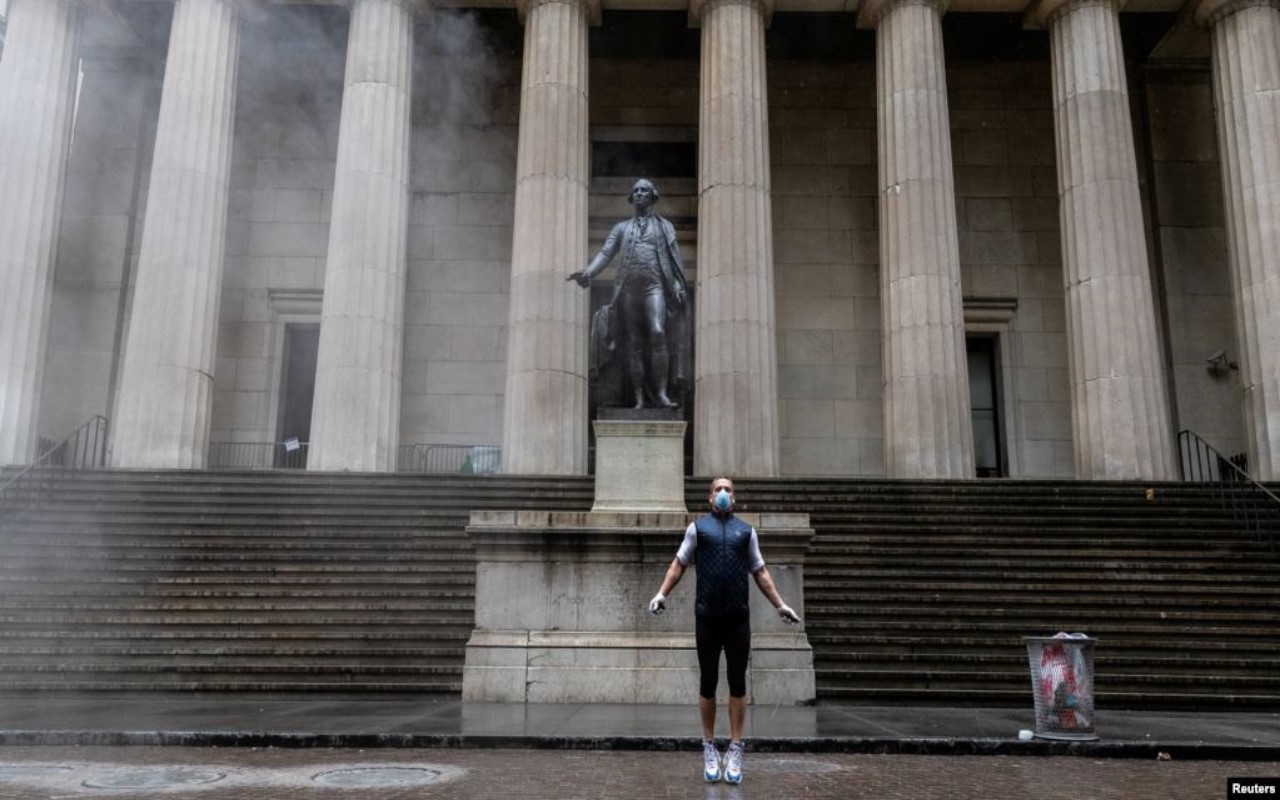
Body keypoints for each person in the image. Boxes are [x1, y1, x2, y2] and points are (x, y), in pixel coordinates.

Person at [647, 477, 801, 785]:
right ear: (709, 498)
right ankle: (708, 745)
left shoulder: (746, 532)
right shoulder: (697, 529)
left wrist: (780, 604)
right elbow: (678, 564)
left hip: (737, 619)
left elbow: (760, 571)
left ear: (735, 498)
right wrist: (662, 593)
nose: (722, 493)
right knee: (707, 681)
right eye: (717, 489)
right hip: (707, 617)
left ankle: (735, 746)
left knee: (736, 682)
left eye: (727, 490)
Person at [568, 178, 689, 409]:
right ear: (631, 198)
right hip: (628, 291)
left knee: (658, 331)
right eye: (635, 191)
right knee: (633, 344)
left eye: (644, 190)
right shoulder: (621, 228)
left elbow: (674, 262)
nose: (639, 193)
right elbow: (605, 253)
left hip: (655, 287)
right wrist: (589, 273)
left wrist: (676, 285)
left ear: (653, 196)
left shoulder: (664, 227)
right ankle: (639, 398)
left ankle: (662, 394)